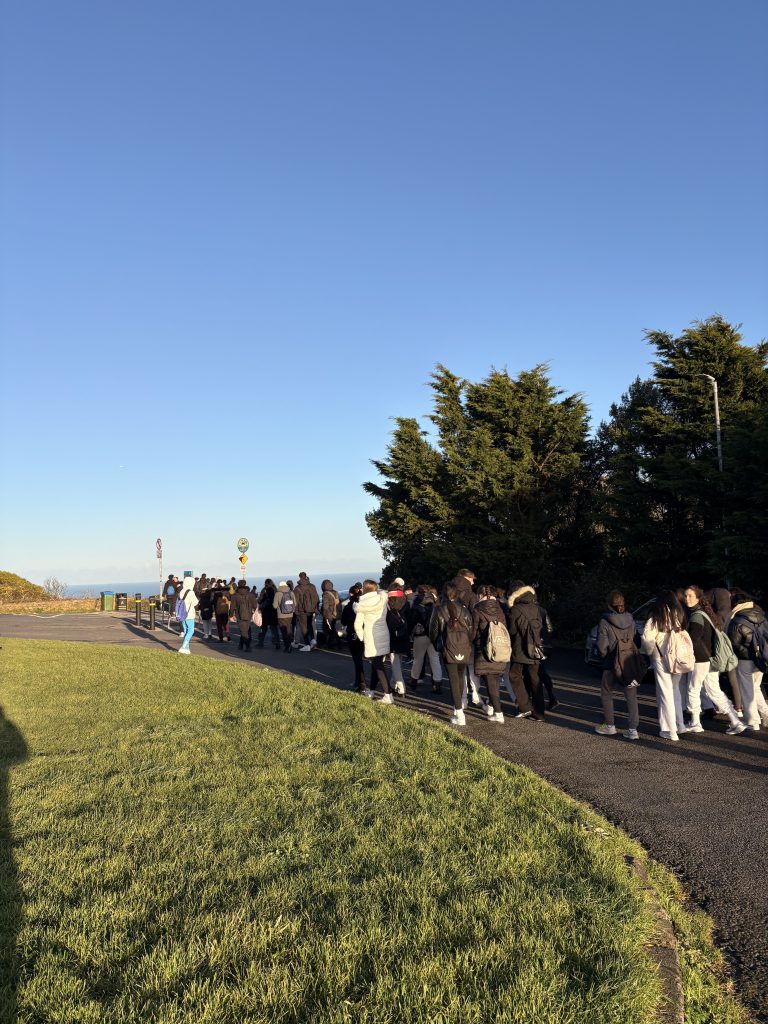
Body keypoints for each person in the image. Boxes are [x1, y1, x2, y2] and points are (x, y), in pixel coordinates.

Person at [682, 585, 746, 735]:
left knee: (693, 689)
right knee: (715, 691)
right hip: (710, 659)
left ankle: (696, 722)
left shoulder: (697, 615)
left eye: (690, 596)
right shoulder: (706, 613)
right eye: (685, 596)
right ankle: (735, 721)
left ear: (698, 598)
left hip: (700, 659)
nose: (687, 599)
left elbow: (694, 640)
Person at [641, 591, 690, 741]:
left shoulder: (656, 618)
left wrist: (648, 653)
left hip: (661, 658)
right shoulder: (679, 615)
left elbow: (647, 639)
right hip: (679, 658)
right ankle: (680, 724)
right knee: (675, 690)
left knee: (665, 693)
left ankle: (670, 730)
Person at [594, 590, 641, 740]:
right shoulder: (631, 620)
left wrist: (605, 658)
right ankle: (633, 730)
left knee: (607, 693)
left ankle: (610, 725)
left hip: (610, 663)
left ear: (609, 604)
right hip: (628, 663)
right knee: (631, 696)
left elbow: (602, 647)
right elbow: (637, 642)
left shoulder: (605, 622)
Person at [430, 583, 473, 725]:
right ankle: (458, 708)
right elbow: (471, 630)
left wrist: (438, 645)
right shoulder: (465, 610)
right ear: (457, 594)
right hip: (464, 647)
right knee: (460, 677)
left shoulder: (439, 610)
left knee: (453, 679)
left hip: (448, 648)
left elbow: (433, 631)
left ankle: (459, 714)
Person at [726, 591, 768, 732]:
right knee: (756, 687)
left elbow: (734, 644)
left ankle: (752, 721)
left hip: (744, 660)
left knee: (747, 690)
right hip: (761, 658)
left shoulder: (736, 619)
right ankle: (766, 715)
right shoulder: (761, 616)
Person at [506, 582, 546, 721]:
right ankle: (540, 712)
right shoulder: (537, 608)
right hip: (535, 648)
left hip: (520, 648)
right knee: (535, 679)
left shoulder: (515, 609)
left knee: (514, 675)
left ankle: (525, 707)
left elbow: (512, 630)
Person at [471, 584, 510, 723]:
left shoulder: (477, 609)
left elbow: (474, 631)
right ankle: (492, 707)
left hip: (485, 650)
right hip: (500, 648)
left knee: (490, 683)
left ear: (480, 595)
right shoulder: (500, 608)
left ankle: (498, 713)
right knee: (495, 680)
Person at [354, 580, 393, 702]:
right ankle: (371, 691)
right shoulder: (382, 599)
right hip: (384, 634)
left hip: (371, 636)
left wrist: (362, 637)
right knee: (377, 665)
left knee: (378, 666)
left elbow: (357, 625)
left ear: (364, 589)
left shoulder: (362, 604)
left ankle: (388, 694)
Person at [407, 585, 443, 692]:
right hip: (434, 635)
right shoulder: (436, 604)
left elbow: (411, 622)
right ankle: (437, 684)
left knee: (418, 659)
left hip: (420, 635)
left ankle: (414, 682)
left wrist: (410, 633)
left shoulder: (417, 605)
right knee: (435, 659)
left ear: (419, 593)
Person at [341, 582, 366, 691]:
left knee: (357, 660)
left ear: (350, 594)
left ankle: (360, 682)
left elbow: (343, 621)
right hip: (365, 633)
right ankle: (361, 681)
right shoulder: (365, 605)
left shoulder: (348, 607)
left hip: (353, 634)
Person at [386, 583, 410, 696]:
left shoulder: (390, 604)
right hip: (403, 634)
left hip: (393, 637)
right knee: (398, 663)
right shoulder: (404, 601)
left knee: (395, 665)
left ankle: (401, 689)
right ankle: (393, 684)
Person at [230, 579, 258, 651]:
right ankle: (241, 645)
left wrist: (230, 615)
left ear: (238, 585)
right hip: (249, 615)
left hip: (239, 615)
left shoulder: (235, 596)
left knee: (243, 631)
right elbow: (255, 606)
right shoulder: (251, 595)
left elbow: (232, 607)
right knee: (246, 630)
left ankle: (248, 646)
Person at [294, 572, 319, 650]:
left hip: (302, 611)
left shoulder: (297, 588)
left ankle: (307, 645)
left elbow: (296, 601)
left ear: (300, 577)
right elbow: (317, 598)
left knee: (303, 627)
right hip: (311, 610)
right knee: (309, 625)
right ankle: (313, 640)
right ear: (306, 576)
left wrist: (296, 611)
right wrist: (314, 608)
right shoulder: (312, 586)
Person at [176, 576, 198, 654]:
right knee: (191, 630)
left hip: (182, 614)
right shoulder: (190, 592)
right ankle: (183, 646)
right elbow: (195, 602)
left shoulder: (181, 591)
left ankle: (187, 648)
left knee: (185, 630)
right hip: (189, 614)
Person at [273, 581, 297, 653]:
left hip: (281, 616)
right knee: (289, 630)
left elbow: (274, 606)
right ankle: (290, 644)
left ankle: (287, 647)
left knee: (283, 631)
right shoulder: (291, 592)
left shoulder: (278, 593)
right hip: (290, 615)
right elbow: (295, 604)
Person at [257, 579, 280, 649]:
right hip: (273, 612)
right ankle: (277, 643)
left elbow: (265, 600)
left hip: (266, 612)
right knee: (274, 629)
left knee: (263, 628)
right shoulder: (275, 590)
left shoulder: (267, 590)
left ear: (267, 583)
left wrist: (261, 606)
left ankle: (260, 643)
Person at [321, 580, 341, 648]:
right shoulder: (336, 592)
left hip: (328, 615)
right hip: (335, 614)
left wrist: (323, 613)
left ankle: (330, 643)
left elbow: (325, 607)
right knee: (332, 628)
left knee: (327, 629)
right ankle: (336, 642)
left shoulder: (326, 594)